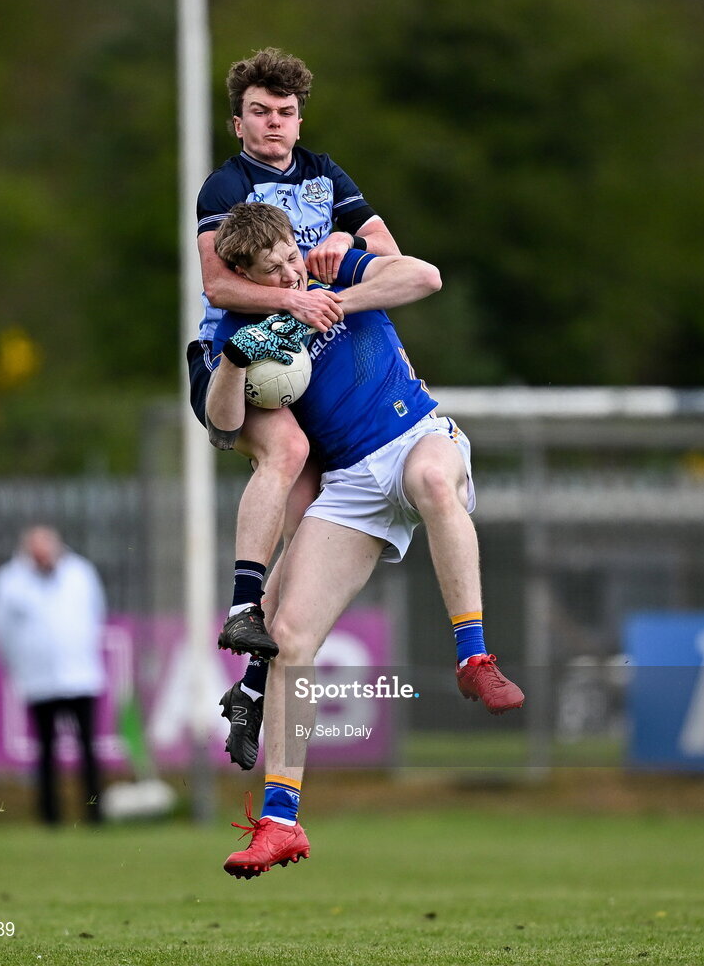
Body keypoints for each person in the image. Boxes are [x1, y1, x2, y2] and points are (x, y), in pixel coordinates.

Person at [204, 204, 525, 878]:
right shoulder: (243, 327)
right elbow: (224, 421)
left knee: (437, 484)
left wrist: (332, 300)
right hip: (351, 482)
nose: (290, 271)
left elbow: (423, 277)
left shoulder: (329, 261)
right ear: (243, 276)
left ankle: (473, 655)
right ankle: (281, 821)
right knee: (288, 633)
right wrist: (237, 359)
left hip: (416, 438)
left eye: (291, 256)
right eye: (272, 271)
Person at [187, 48, 401, 714]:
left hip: (302, 358)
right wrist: (293, 301)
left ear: (299, 120)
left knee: (312, 516)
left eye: (284, 113)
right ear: (237, 122)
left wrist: (346, 252)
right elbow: (217, 283)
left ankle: (252, 683)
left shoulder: (325, 175)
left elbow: (392, 260)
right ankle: (241, 604)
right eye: (259, 113)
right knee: (286, 453)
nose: (272, 124)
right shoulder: (225, 188)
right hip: (239, 347)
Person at [0, 525, 107, 826]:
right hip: (38, 679)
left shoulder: (80, 573)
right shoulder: (8, 582)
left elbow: (96, 614)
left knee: (88, 747)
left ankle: (94, 813)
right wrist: (19, 666)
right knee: (46, 750)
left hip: (81, 675)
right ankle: (50, 816)